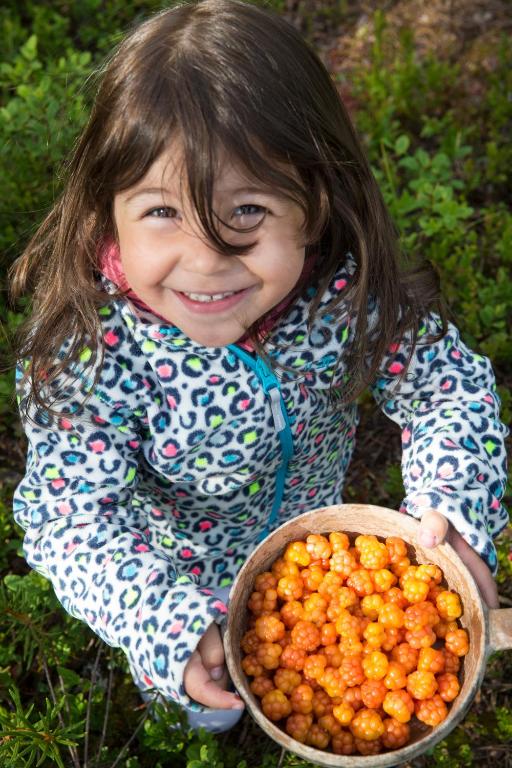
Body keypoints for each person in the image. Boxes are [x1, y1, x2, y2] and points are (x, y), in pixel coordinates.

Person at [10, 0, 508, 735]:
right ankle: (199, 718)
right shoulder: (89, 355)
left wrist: (456, 506)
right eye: (161, 213)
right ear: (103, 207)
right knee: (203, 709)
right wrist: (165, 622)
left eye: (245, 211)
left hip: (317, 560)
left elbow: (444, 384)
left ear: (314, 203)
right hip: (179, 578)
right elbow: (69, 516)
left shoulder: (342, 295)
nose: (207, 262)